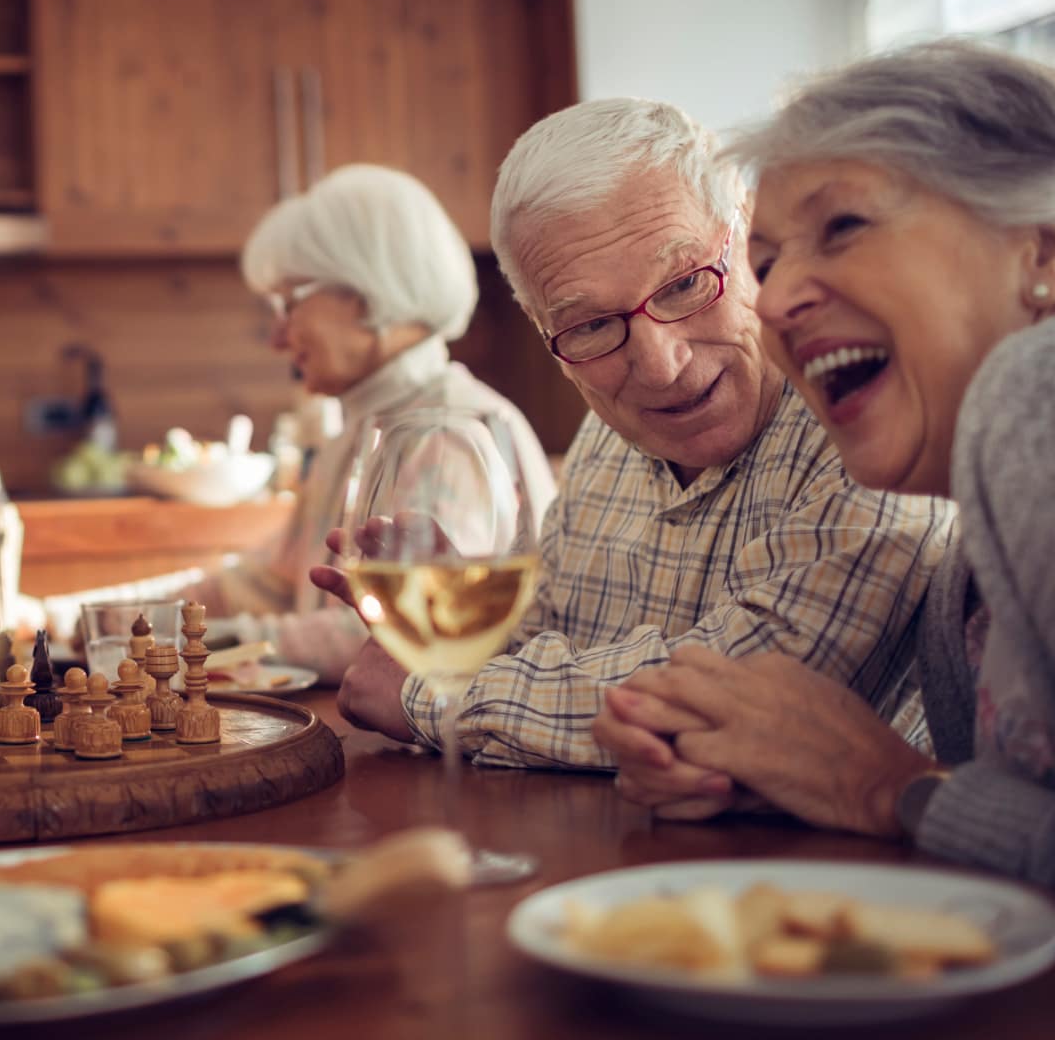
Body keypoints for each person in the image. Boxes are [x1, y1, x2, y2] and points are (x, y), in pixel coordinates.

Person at [596, 41, 1055, 911]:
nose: (773, 299)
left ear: (1049, 249)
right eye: (765, 263)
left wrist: (885, 787)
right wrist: (786, 770)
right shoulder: (964, 590)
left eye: (843, 227)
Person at [323, 99, 954, 771]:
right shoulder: (606, 435)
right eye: (590, 326)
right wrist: (461, 628)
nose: (661, 367)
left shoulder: (868, 414)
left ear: (748, 238)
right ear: (545, 333)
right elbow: (551, 643)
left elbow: (742, 697)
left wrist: (433, 694)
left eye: (684, 283)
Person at [27, 164, 557, 684]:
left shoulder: (452, 434)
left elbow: (390, 636)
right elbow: (259, 586)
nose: (277, 337)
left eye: (289, 303)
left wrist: (161, 641)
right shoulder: (354, 432)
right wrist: (86, 613)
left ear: (367, 293)